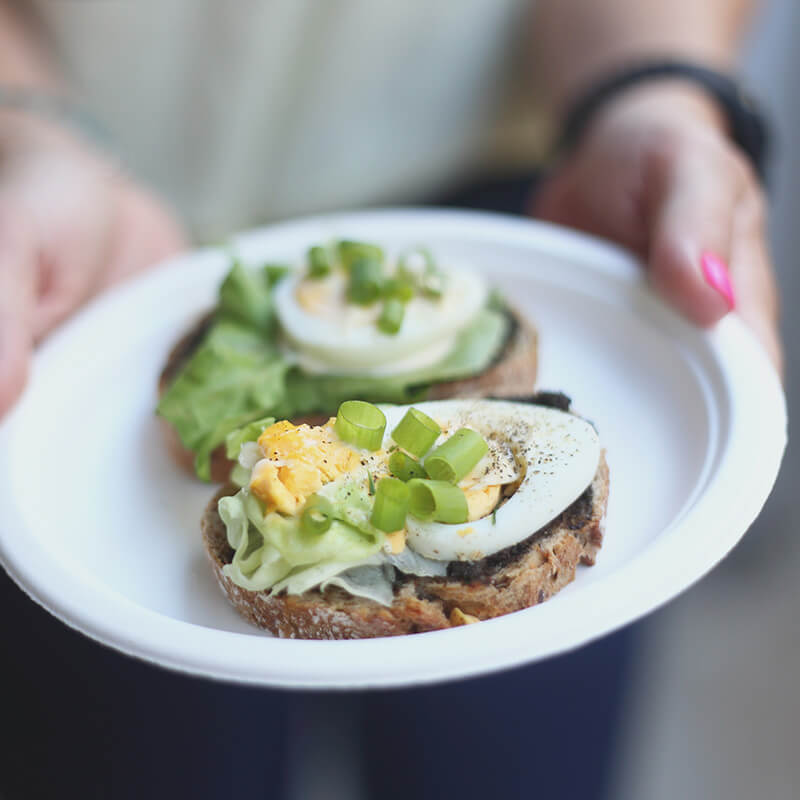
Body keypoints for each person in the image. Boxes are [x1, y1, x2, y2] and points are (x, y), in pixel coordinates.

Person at [0, 1, 782, 798]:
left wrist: (648, 85)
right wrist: (23, 125)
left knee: (508, 767)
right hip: (87, 222)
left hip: (508, 188)